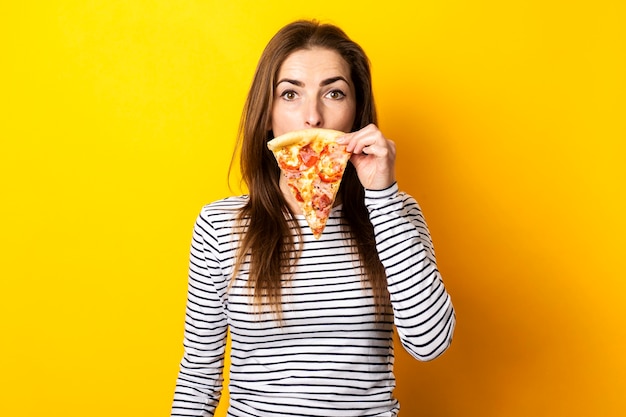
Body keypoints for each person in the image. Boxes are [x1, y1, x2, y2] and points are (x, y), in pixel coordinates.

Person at [171, 19, 455, 417]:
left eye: (334, 93)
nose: (313, 117)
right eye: (290, 94)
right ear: (266, 114)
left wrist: (383, 197)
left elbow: (430, 343)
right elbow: (199, 375)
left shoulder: (398, 212)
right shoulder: (220, 225)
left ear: (357, 116)